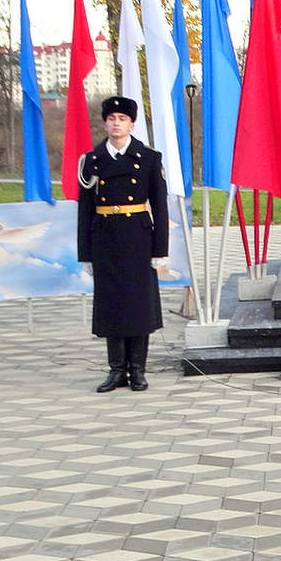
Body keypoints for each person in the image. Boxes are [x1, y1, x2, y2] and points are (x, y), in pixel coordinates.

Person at [77, 96, 168, 392]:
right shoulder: (91, 161)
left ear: (132, 124)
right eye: (111, 118)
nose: (116, 124)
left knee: (138, 305)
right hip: (105, 238)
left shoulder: (149, 158)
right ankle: (116, 370)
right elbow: (84, 210)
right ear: (104, 123)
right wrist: (85, 254)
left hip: (138, 238)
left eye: (122, 119)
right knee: (111, 305)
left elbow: (160, 206)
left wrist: (160, 249)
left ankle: (138, 370)